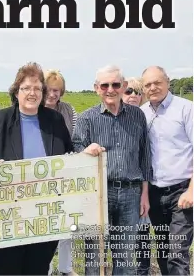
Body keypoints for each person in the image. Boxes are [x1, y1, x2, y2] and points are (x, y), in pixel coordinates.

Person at [0, 62, 74, 276]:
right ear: (16, 91)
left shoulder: (55, 120)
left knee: (37, 269)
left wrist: (89, 154)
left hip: (44, 216)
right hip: (7, 217)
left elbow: (68, 157)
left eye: (37, 88)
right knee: (6, 269)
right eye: (26, 88)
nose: (32, 93)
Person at [72, 65, 151, 276]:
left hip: (131, 193)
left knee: (125, 256)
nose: (110, 89)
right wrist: (85, 151)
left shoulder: (137, 116)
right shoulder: (86, 118)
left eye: (116, 84)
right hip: (98, 193)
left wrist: (145, 193)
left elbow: (144, 155)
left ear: (123, 86)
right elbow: (75, 152)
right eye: (104, 85)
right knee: (95, 255)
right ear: (96, 88)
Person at [141, 66, 193, 276]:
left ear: (168, 82)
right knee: (163, 252)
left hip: (182, 192)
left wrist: (191, 191)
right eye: (148, 84)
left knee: (177, 253)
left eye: (157, 82)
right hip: (155, 193)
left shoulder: (186, 109)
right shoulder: (142, 113)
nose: (153, 88)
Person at [44, 69, 78, 276]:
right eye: (49, 89)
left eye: (57, 90)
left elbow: (75, 137)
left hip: (65, 174)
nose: (53, 94)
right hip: (41, 177)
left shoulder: (68, 110)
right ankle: (44, 268)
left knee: (68, 225)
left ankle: (66, 267)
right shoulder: (34, 110)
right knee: (44, 226)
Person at [122, 77, 151, 276]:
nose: (133, 96)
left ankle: (143, 270)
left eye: (138, 92)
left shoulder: (147, 116)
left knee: (142, 231)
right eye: (129, 91)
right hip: (118, 185)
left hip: (142, 181)